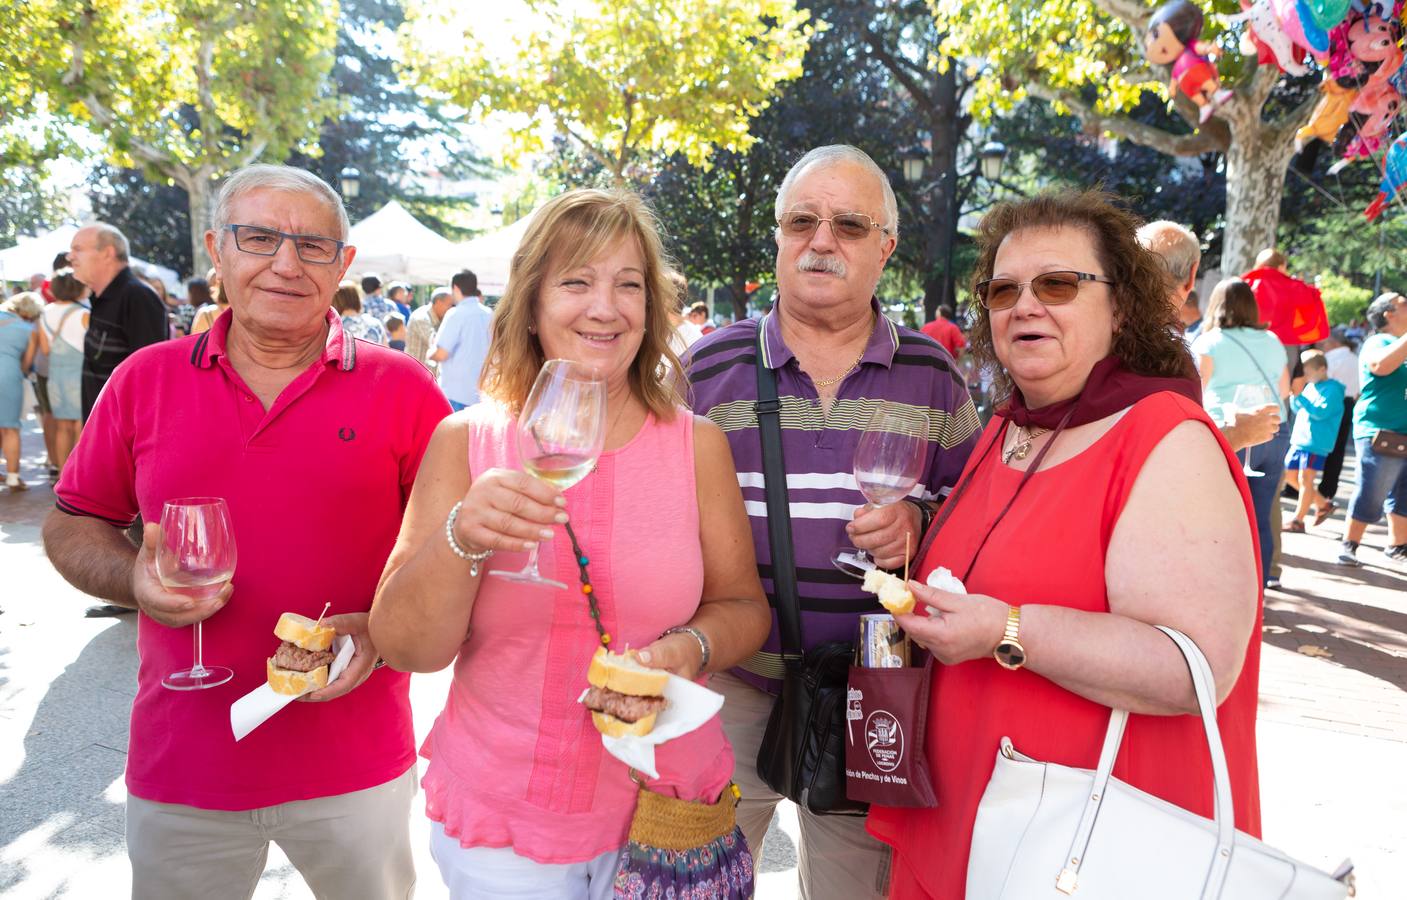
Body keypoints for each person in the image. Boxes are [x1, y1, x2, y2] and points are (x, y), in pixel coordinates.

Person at [43, 164, 449, 898]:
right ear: (216, 250)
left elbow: (450, 558)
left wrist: (386, 632)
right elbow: (76, 522)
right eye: (259, 237)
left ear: (343, 265)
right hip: (183, 762)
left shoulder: (407, 391)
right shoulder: (145, 379)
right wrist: (130, 578)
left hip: (355, 762)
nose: (286, 264)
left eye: (313, 246)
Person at [370, 187, 770, 898]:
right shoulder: (466, 441)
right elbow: (407, 649)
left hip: (665, 808)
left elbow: (742, 606)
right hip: (505, 823)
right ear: (529, 301)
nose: (604, 307)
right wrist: (463, 534)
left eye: (628, 285)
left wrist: (688, 649)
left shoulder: (695, 444)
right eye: (576, 281)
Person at [868, 189, 1262, 899]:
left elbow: (1191, 666)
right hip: (963, 820)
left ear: (1119, 306)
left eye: (1056, 284)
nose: (1024, 305)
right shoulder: (1007, 428)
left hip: (1081, 850)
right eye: (1002, 289)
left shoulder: (1162, 436)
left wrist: (1005, 630)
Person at [684, 144, 981, 899]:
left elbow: (977, 515)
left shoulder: (931, 373)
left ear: (885, 248)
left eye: (849, 225)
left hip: (872, 699)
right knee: (700, 885)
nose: (821, 241)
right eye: (801, 221)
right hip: (729, 690)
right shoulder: (704, 367)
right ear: (778, 238)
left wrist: (919, 517)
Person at [1137, 219, 1280, 452]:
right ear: (1193, 275)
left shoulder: (1109, 328)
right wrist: (1237, 435)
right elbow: (1169, 452)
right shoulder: (1159, 348)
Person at [1192, 278, 1291, 588]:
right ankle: (1257, 591)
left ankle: (1220, 589)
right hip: (1275, 429)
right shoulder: (1273, 340)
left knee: (1220, 516)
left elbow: (1194, 391)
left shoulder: (1208, 342)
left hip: (1229, 432)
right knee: (1260, 516)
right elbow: (1285, 389)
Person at [67, 222, 168, 420]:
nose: (70, 257)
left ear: (107, 253)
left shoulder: (138, 297)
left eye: (77, 249)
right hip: (102, 432)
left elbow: (151, 377)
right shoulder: (102, 298)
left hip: (124, 437)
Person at [1337, 291, 1407, 565]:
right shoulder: (1378, 341)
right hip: (1379, 430)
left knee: (1404, 493)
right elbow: (1380, 366)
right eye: (1404, 302)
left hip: (1402, 429)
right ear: (1388, 313)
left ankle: (1398, 545)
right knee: (1372, 488)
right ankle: (1349, 544)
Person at [31, 269, 89, 475]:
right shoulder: (84, 313)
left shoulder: (45, 313)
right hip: (80, 374)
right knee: (80, 427)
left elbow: (45, 350)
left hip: (56, 376)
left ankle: (63, 475)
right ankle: (79, 477)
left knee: (62, 425)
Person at [1282, 349, 1345, 532]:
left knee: (1305, 479)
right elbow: (1297, 408)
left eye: (1308, 373)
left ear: (1322, 369)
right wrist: (1295, 395)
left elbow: (1320, 412)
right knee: (1290, 476)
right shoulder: (1310, 386)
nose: (1306, 377)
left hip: (1316, 442)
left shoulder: (1333, 389)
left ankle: (1298, 520)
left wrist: (1300, 396)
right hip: (1300, 439)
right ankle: (1323, 505)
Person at [429, 269, 493, 411]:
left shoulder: (456, 314)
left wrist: (430, 352)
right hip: (484, 393)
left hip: (456, 393)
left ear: (456, 288)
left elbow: (441, 354)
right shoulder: (489, 314)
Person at [0, 292, 41, 491]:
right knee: (10, 428)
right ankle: (13, 478)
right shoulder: (30, 329)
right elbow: (27, 364)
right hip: (8, 375)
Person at [1317, 326, 1360, 507]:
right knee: (1338, 449)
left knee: (1316, 445)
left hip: (1329, 403)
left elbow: (1321, 381)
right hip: (1348, 403)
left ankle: (1303, 487)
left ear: (1332, 342)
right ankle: (1327, 489)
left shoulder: (1330, 359)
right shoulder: (1354, 358)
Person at [406, 285, 456, 376]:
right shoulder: (421, 318)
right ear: (438, 302)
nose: (452, 309)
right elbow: (436, 344)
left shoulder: (440, 318)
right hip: (416, 376)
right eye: (451, 305)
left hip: (426, 376)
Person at [188, 268, 227, 335]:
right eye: (209, 285)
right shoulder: (243, 311)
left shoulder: (206, 313)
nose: (210, 289)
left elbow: (197, 343)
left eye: (215, 283)